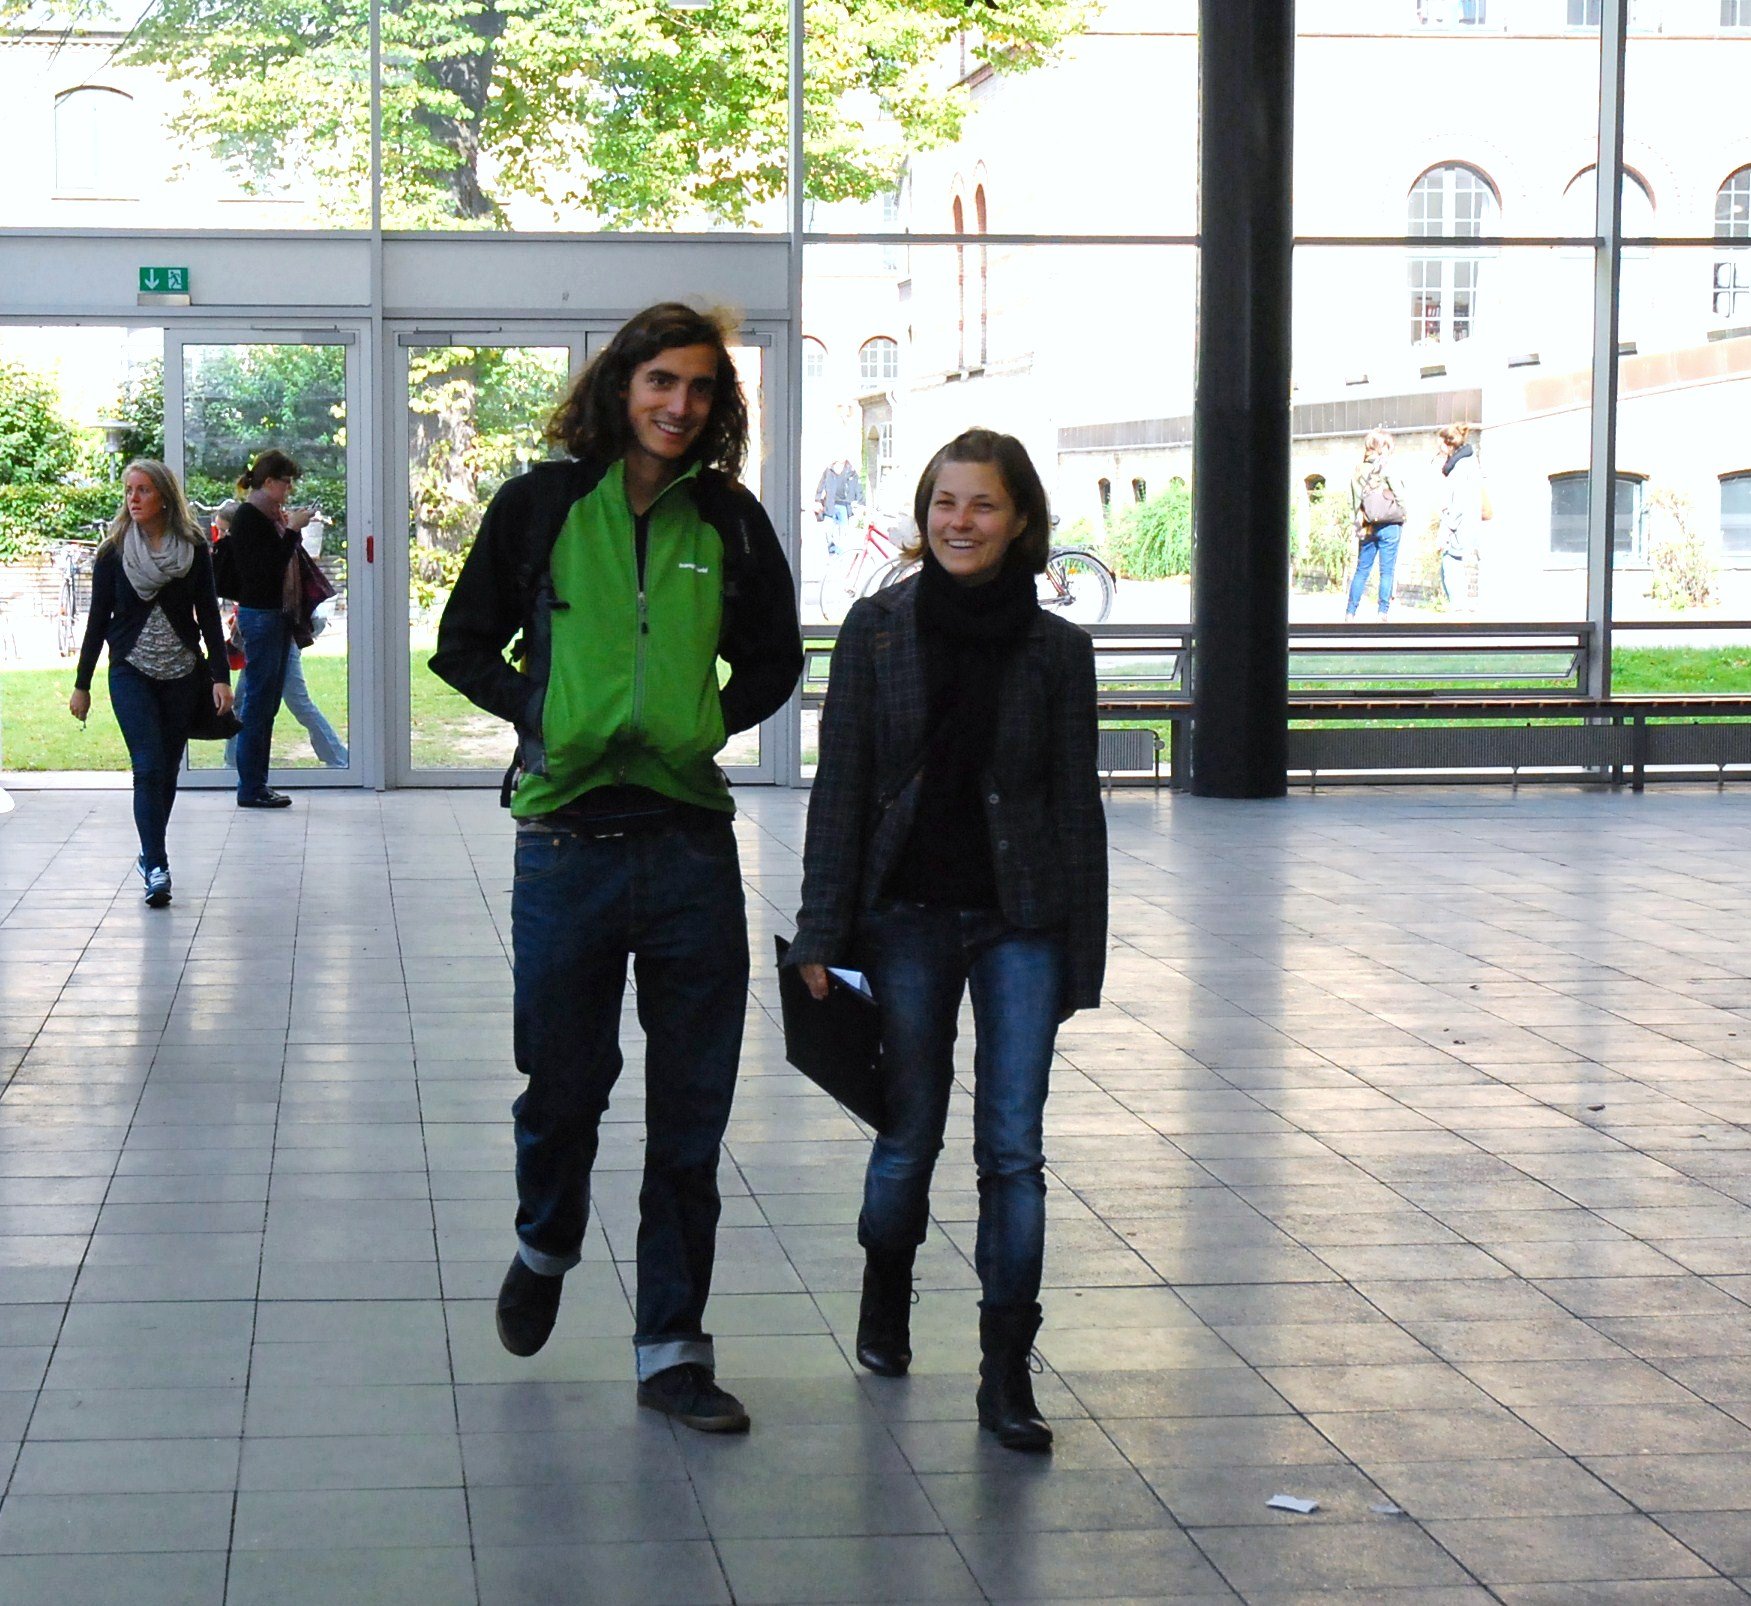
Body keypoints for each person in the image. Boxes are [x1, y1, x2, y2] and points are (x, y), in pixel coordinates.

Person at [431, 302, 802, 1433]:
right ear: (619, 385)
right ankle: (546, 1238)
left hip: (689, 844)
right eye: (660, 382)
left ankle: (671, 1351)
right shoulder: (540, 504)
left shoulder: (729, 521)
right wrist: (543, 712)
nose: (679, 405)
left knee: (689, 1116)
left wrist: (698, 721)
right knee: (563, 1083)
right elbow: (458, 646)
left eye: (699, 388)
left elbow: (777, 658)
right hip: (566, 846)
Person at [787, 428, 1107, 1453]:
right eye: (944, 503)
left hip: (1020, 922)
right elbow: (838, 793)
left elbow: (1075, 807)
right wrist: (818, 933)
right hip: (903, 919)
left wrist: (1079, 958)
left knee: (1011, 1149)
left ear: (1019, 522)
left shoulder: (1058, 650)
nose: (960, 521)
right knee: (908, 1133)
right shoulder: (876, 631)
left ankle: (1005, 1371)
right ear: (923, 516)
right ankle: (886, 1291)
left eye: (982, 505)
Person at [68, 459, 232, 908]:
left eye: (142, 490)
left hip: (182, 674)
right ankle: (157, 865)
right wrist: (82, 684)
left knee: (166, 771)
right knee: (147, 766)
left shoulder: (193, 549)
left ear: (163, 496)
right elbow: (97, 621)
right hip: (131, 672)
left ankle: (148, 852)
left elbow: (209, 617)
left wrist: (220, 676)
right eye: (128, 491)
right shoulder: (114, 552)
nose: (133, 499)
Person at [216, 499, 347, 770]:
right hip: (267, 635)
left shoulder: (263, 548)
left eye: (225, 531)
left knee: (295, 700)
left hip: (278, 635)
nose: (223, 539)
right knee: (246, 701)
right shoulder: (254, 550)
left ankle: (339, 758)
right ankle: (233, 763)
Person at [217, 449, 315, 807]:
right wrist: (291, 531)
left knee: (265, 702)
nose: (289, 489)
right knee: (259, 705)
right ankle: (251, 787)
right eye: (286, 482)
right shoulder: (251, 518)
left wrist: (288, 529)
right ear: (269, 482)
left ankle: (256, 784)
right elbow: (265, 571)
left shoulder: (265, 516)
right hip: (262, 617)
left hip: (272, 616)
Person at [1346, 429, 1409, 620]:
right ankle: (1382, 612)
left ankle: (1350, 612)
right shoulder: (1386, 467)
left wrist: (1357, 520)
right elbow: (1399, 493)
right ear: (1380, 447)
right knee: (1387, 571)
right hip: (1390, 524)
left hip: (1367, 524)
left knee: (1362, 570)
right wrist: (1404, 512)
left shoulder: (1358, 470)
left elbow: (1354, 502)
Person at [1437, 421, 1483, 610]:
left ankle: (1458, 610)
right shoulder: (1470, 462)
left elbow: (1457, 504)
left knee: (1449, 566)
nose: (1438, 448)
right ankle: (1462, 607)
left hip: (1460, 528)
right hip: (1470, 524)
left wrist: (1445, 531)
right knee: (1454, 567)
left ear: (1449, 444)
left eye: (1439, 444)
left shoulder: (1459, 468)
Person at [813, 457, 862, 555]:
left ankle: (841, 555)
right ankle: (831, 550)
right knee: (828, 530)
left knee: (843, 532)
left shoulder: (851, 471)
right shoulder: (829, 470)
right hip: (830, 504)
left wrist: (860, 503)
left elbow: (858, 487)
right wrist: (817, 500)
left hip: (844, 505)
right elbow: (821, 485)